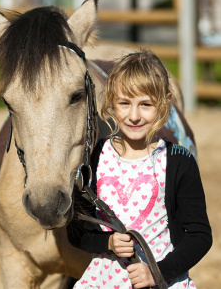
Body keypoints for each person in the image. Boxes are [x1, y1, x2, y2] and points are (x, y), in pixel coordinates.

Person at [67, 49, 212, 289]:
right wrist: (108, 243)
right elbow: (75, 232)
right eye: (124, 103)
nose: (134, 116)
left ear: (165, 103)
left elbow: (200, 237)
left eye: (145, 104)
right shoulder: (94, 157)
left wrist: (157, 273)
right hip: (102, 282)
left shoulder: (179, 161)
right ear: (112, 101)